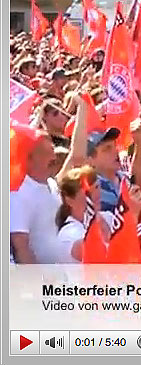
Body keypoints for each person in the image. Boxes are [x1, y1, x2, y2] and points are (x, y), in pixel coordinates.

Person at [10, 96, 87, 263]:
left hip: (64, 277)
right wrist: (36, 286)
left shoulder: (52, 184)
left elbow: (76, 157)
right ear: (29, 158)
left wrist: (83, 108)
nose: (54, 156)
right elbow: (21, 247)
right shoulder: (18, 195)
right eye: (47, 152)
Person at [55, 165, 113, 263]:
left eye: (97, 187)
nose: (97, 193)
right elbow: (97, 255)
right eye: (88, 191)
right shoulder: (68, 234)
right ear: (69, 200)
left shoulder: (109, 217)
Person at [87, 127, 129, 212]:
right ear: (91, 160)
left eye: (115, 146)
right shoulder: (90, 190)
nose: (115, 151)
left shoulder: (128, 180)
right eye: (107, 149)